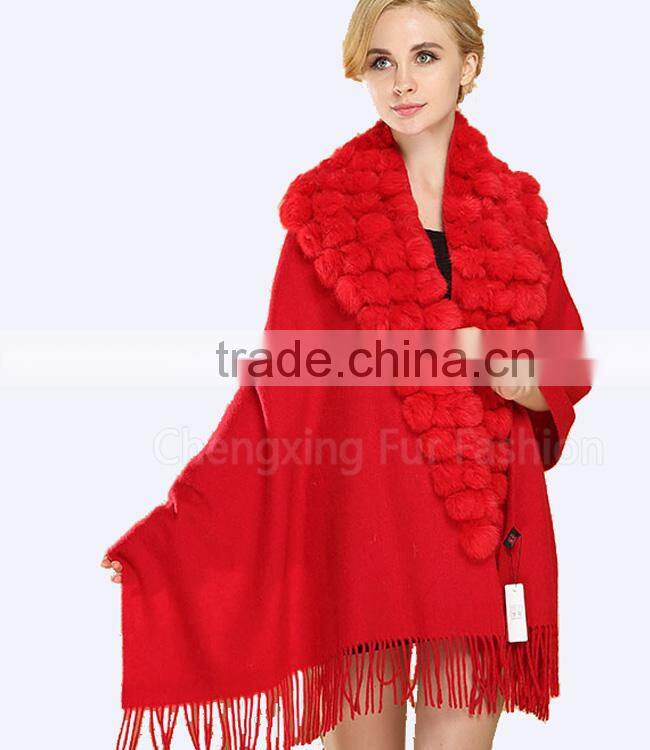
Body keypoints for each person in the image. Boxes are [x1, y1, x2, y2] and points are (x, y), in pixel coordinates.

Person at [102, 2, 591, 749]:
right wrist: (176, 533)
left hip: (481, 528)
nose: (402, 82)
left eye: (425, 56)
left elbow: (565, 366)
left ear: (469, 65)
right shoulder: (327, 219)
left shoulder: (516, 213)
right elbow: (275, 396)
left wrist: (504, 367)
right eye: (381, 62)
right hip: (363, 530)